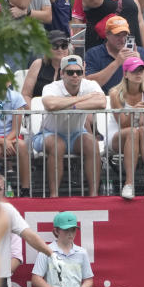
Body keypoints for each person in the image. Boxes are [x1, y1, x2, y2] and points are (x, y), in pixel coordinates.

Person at [35, 55, 106, 197]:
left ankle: (94, 195)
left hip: (76, 134)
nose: (75, 75)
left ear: (82, 73)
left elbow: (101, 103)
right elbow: (50, 105)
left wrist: (71, 105)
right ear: (62, 73)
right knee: (57, 144)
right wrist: (82, 99)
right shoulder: (51, 87)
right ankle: (54, 196)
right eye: (70, 72)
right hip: (48, 133)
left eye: (78, 72)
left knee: (92, 143)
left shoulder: (90, 84)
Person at [109, 57, 144, 201]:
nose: (139, 74)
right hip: (118, 135)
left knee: (141, 131)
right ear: (125, 74)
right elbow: (123, 124)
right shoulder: (115, 93)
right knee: (133, 131)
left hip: (140, 133)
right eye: (134, 71)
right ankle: (129, 183)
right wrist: (135, 110)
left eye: (141, 70)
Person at [85, 15, 144, 95]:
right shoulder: (93, 53)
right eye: (117, 35)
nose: (121, 39)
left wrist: (138, 63)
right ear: (107, 35)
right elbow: (89, 85)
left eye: (124, 35)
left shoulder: (139, 52)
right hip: (105, 99)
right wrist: (117, 62)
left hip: (134, 99)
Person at [22, 30, 71, 106]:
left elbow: (81, 93)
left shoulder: (75, 66)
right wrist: (33, 114)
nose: (60, 49)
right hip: (38, 112)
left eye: (64, 46)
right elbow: (26, 95)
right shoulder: (38, 64)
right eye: (55, 46)